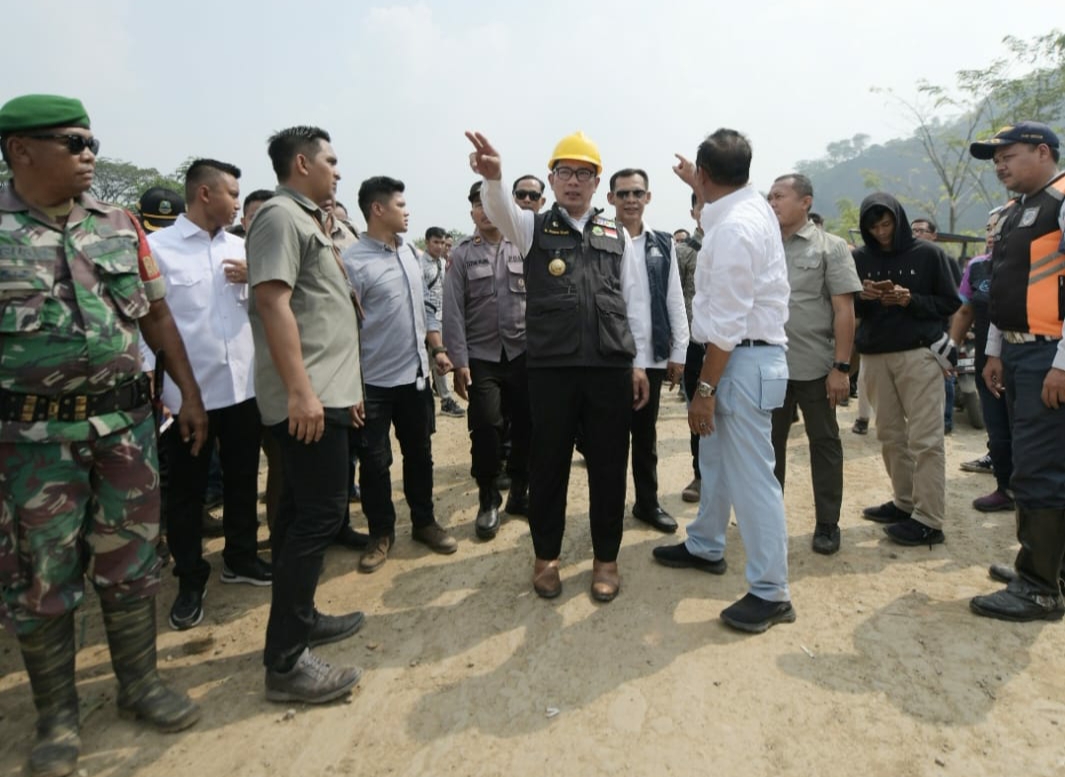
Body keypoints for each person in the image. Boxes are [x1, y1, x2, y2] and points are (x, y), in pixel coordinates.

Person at [0, 93, 206, 776]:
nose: (89, 154)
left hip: (125, 431)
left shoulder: (119, 225)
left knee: (133, 563)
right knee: (42, 579)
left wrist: (188, 393)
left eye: (93, 142)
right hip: (31, 445)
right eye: (74, 142)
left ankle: (140, 684)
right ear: (21, 150)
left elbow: (156, 317)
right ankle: (57, 718)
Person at [467, 129, 650, 603]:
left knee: (609, 466)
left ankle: (606, 559)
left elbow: (633, 302)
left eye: (583, 174)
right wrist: (494, 178)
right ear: (551, 180)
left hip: (608, 367)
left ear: (596, 183)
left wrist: (638, 364)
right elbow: (500, 210)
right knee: (548, 465)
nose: (573, 181)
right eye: (565, 172)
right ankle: (545, 557)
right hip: (551, 369)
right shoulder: (531, 228)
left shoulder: (616, 235)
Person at [652, 129, 795, 634]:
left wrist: (705, 392)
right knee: (713, 461)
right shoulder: (750, 207)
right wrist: (699, 182)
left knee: (753, 479)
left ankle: (771, 591)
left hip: (739, 360)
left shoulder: (735, 228)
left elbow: (730, 324)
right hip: (742, 357)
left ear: (708, 174)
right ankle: (706, 544)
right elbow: (716, 205)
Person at [246, 125, 365, 703]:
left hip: (327, 392)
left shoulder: (309, 219)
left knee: (300, 516)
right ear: (301, 163)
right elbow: (272, 303)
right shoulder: (279, 217)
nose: (337, 171)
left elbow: (323, 311)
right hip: (308, 399)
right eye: (330, 161)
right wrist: (301, 392)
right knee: (319, 516)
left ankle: (303, 618)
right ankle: (287, 662)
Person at [149, 159, 272, 631]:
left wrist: (255, 279)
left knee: (242, 480)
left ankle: (240, 557)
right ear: (205, 194)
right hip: (189, 399)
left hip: (242, 391)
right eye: (233, 194)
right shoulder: (158, 249)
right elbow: (146, 330)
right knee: (187, 492)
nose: (238, 203)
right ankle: (190, 578)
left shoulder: (241, 248)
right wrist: (165, 395)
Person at [967, 121, 1065, 622]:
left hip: (1050, 355)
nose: (999, 166)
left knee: (1038, 468)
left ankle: (1040, 589)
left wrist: (1062, 364)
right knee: (1033, 463)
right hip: (1018, 352)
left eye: (1008, 156)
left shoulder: (1061, 201)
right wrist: (994, 351)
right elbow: (1004, 289)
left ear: (1042, 151)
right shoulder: (1016, 211)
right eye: (996, 160)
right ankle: (1046, 568)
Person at [343, 176, 458, 574]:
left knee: (420, 455)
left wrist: (437, 349)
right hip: (372, 384)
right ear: (378, 209)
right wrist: (351, 389)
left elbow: (425, 308)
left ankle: (424, 522)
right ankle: (381, 534)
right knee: (375, 464)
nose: (407, 212)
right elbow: (345, 329)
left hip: (415, 378)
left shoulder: (409, 253)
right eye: (400, 205)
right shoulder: (353, 262)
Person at [853, 193, 960, 546]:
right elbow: (849, 307)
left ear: (898, 220)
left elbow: (950, 302)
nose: (882, 232)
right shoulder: (860, 258)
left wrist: (910, 299)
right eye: (874, 227)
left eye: (887, 224)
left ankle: (929, 519)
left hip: (918, 354)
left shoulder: (928, 254)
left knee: (925, 438)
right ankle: (904, 502)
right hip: (875, 355)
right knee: (889, 435)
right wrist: (863, 297)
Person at [767, 174, 861, 555]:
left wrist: (841, 367)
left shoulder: (830, 247)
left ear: (805, 202)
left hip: (816, 367)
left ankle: (827, 523)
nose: (773, 202)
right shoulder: (764, 245)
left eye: (780, 196)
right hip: (769, 366)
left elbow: (844, 310)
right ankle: (769, 519)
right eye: (770, 196)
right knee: (768, 445)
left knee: (824, 442)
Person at [443, 181, 530, 539]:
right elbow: (452, 311)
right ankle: (488, 497)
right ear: (472, 213)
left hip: (523, 353)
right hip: (481, 357)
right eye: (477, 205)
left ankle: (520, 493)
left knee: (527, 427)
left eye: (489, 203)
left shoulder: (523, 246)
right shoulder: (462, 254)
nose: (484, 210)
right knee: (486, 427)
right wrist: (459, 361)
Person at [607, 168, 689, 532]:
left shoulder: (662, 243)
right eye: (623, 193)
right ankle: (608, 510)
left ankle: (647, 503)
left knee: (645, 437)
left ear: (648, 197)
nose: (630, 200)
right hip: (611, 357)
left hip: (652, 356)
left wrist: (679, 352)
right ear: (611, 198)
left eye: (637, 193)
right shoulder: (600, 238)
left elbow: (674, 297)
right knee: (609, 439)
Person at [949, 208, 1014, 512]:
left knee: (1027, 429)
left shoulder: (1032, 261)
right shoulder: (976, 267)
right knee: (997, 427)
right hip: (987, 360)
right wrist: (951, 347)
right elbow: (965, 310)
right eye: (988, 227)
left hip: (1026, 357)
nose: (992, 233)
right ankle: (1005, 488)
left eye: (998, 226)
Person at [912, 217, 962, 434]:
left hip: (940, 329)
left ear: (933, 235)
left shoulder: (946, 261)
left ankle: (946, 421)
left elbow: (957, 301)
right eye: (914, 231)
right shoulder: (909, 260)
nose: (917, 234)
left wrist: (953, 334)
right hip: (915, 331)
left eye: (921, 230)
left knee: (945, 375)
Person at [677, 192, 705, 504]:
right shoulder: (683, 252)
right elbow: (673, 299)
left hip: (735, 346)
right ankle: (700, 474)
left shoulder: (738, 246)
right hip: (695, 345)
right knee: (697, 411)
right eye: (702, 205)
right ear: (693, 211)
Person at [422, 226, 465, 418]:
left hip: (441, 320)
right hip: (426, 322)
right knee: (427, 363)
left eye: (442, 243)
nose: (440, 246)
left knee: (439, 361)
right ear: (427, 242)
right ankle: (440, 399)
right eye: (436, 242)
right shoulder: (420, 265)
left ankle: (444, 399)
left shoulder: (443, 263)